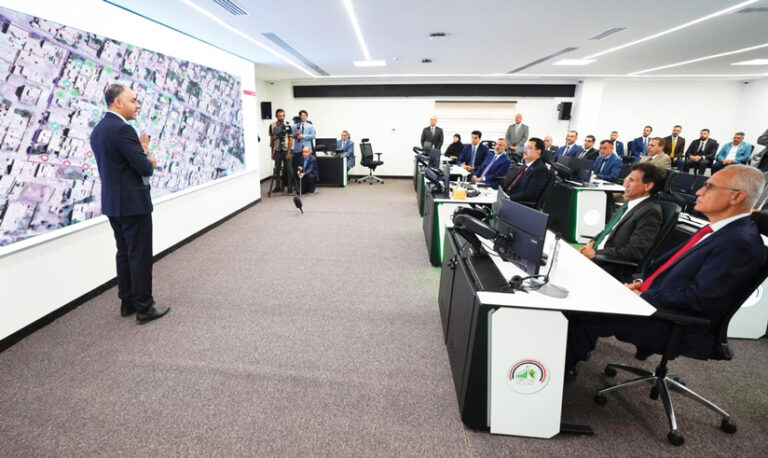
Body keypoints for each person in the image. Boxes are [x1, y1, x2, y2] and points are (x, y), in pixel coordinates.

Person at [565, 165, 767, 375]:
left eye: (709, 186)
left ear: (736, 197)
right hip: (659, 301)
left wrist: (645, 295)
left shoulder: (739, 242)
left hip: (672, 319)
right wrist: (642, 284)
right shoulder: (720, 231)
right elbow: (673, 271)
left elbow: (701, 298)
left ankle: (561, 370)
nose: (699, 192)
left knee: (585, 310)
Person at [90, 84, 170, 325]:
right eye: (133, 100)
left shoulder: (99, 130)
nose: (137, 105)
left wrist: (141, 150)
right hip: (133, 204)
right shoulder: (123, 130)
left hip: (113, 204)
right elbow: (144, 168)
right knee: (140, 255)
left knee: (124, 253)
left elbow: (120, 165)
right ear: (118, 103)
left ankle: (128, 303)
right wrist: (150, 158)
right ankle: (144, 307)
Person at [579, 162, 665, 282]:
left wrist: (596, 253)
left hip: (609, 268)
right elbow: (608, 230)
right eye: (627, 179)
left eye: (631, 180)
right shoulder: (630, 203)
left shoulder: (650, 212)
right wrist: (592, 243)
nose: (625, 184)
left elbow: (636, 251)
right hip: (597, 259)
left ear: (648, 186)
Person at [501, 137, 550, 203]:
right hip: (506, 198)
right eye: (525, 147)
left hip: (516, 203)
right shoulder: (525, 166)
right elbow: (512, 185)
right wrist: (501, 193)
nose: (524, 150)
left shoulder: (541, 170)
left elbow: (530, 193)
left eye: (529, 148)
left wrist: (508, 198)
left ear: (538, 152)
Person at [269, 108, 295, 193]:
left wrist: (288, 152)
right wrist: (272, 152)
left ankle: (290, 187)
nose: (281, 117)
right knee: (277, 169)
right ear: (276, 116)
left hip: (287, 150)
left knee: (289, 169)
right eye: (280, 116)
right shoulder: (272, 125)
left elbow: (291, 139)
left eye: (283, 116)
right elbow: (271, 140)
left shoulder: (288, 125)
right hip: (277, 150)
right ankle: (278, 187)